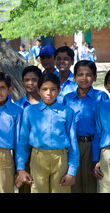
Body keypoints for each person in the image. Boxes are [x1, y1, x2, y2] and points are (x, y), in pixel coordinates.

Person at [16, 73, 79, 193]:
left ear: (59, 90)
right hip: (38, 157)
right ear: (39, 90)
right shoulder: (30, 111)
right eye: (44, 89)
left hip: (60, 158)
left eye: (53, 89)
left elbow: (72, 142)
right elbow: (23, 141)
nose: (49, 93)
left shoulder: (67, 112)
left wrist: (72, 171)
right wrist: (21, 168)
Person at [63, 60, 109, 193]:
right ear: (74, 77)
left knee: (91, 183)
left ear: (95, 77)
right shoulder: (68, 98)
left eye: (88, 75)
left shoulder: (101, 97)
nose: (84, 78)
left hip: (92, 145)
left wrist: (97, 157)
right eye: (80, 74)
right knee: (73, 184)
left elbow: (102, 128)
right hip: (72, 145)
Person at [93, 70, 110, 193]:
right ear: (105, 86)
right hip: (106, 153)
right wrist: (95, 159)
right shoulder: (101, 106)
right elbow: (98, 134)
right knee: (105, 188)